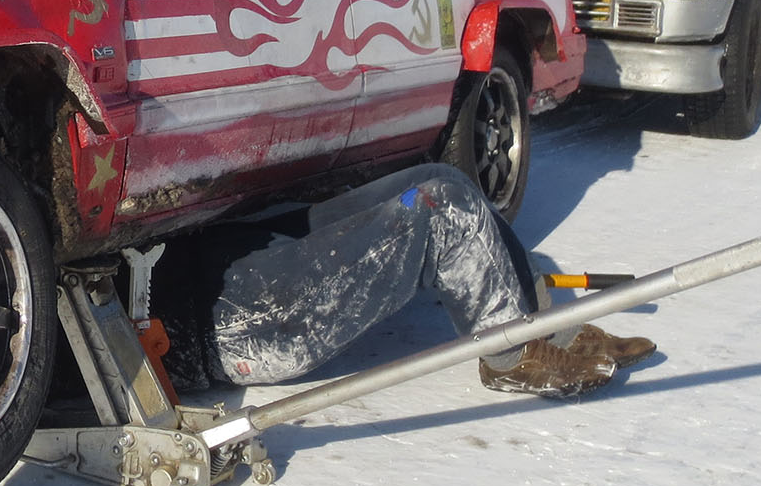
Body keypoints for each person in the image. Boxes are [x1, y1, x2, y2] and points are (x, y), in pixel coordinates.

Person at [148, 165, 655, 399]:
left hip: (228, 250)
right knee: (439, 209)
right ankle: (510, 355)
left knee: (445, 177)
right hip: (220, 315)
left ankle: (538, 322)